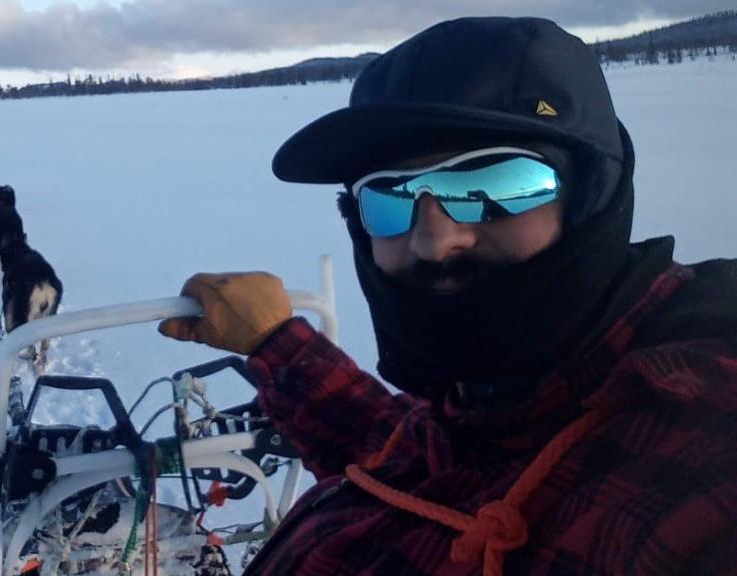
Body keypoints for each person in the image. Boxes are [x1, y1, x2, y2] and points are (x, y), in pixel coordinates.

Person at [158, 16, 737, 576]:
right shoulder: (505, 400)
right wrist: (277, 343)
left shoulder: (695, 444)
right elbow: (429, 460)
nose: (435, 240)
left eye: (492, 186)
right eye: (388, 198)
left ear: (591, 197)